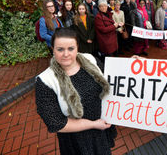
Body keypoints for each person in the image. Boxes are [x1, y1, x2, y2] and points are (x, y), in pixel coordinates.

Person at [35, 27, 117, 155]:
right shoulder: (45, 81)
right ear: (53, 49)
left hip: (102, 127)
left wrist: (132, 66)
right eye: (60, 49)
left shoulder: (90, 59)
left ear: (77, 47)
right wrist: (93, 124)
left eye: (71, 48)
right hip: (77, 139)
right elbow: (56, 123)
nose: (66, 54)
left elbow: (111, 76)